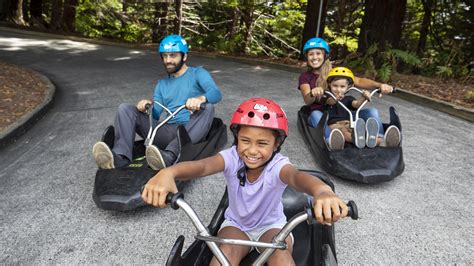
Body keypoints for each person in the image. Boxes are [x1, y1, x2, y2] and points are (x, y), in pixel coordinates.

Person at [141, 98, 349, 265]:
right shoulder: (231, 158)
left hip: (272, 226)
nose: (251, 150)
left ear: (277, 143)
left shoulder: (279, 166)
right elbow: (202, 166)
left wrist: (322, 191)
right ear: (237, 137)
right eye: (245, 141)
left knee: (280, 254)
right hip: (236, 224)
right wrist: (169, 172)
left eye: (262, 143)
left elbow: (296, 178)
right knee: (225, 253)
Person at [92, 34, 222, 170]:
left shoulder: (198, 73)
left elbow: (216, 93)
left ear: (184, 56)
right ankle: (120, 157)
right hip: (167, 131)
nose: (168, 60)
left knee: (208, 107)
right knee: (125, 108)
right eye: (165, 56)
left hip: (190, 130)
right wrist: (144, 108)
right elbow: (154, 116)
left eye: (173, 56)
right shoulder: (162, 84)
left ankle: (170, 156)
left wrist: (201, 99)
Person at [298, 37, 394, 141]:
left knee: (372, 112)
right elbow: (307, 100)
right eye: (311, 54)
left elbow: (359, 81)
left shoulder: (336, 72)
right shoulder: (305, 77)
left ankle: (378, 138)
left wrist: (380, 85)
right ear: (306, 57)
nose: (314, 57)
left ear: (325, 55)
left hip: (344, 112)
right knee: (315, 115)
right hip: (324, 114)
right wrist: (313, 93)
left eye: (318, 53)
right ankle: (331, 139)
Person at [322, 67, 401, 150]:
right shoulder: (327, 96)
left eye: (342, 86)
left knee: (357, 129)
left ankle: (379, 141)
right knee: (344, 133)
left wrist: (363, 97)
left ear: (348, 87)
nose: (338, 89)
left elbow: (356, 104)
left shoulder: (348, 98)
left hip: (348, 122)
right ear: (329, 85)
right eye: (335, 86)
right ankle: (354, 140)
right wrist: (336, 99)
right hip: (334, 125)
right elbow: (330, 101)